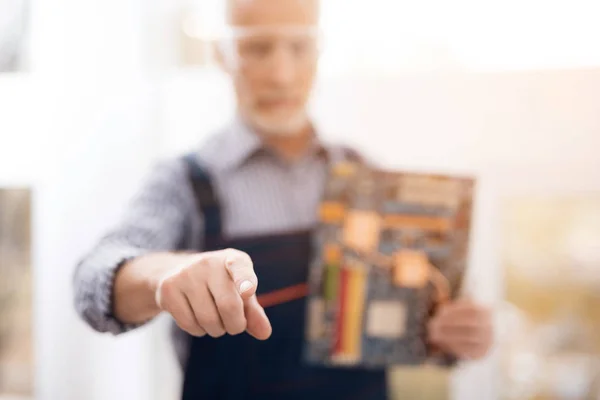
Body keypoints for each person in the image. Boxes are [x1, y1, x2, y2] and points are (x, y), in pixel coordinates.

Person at [73, 0, 493, 398]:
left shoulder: (365, 174)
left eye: (300, 47)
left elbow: (429, 319)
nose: (282, 74)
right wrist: (166, 275)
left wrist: (455, 334)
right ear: (223, 56)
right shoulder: (184, 181)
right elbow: (93, 280)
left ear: (319, 53)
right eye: (257, 48)